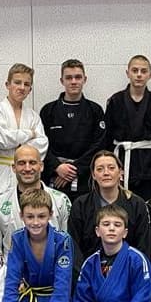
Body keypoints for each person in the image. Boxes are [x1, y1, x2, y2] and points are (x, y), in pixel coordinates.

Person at [68, 205, 151, 302]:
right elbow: (82, 299)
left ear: (125, 232)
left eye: (117, 225)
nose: (111, 229)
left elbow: (141, 301)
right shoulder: (91, 262)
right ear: (97, 231)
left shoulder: (137, 260)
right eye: (106, 224)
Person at [0, 189, 73, 302]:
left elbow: (63, 285)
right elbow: (11, 281)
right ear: (21, 216)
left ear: (51, 215)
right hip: (28, 301)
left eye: (41, 216)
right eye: (30, 217)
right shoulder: (17, 239)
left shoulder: (62, 241)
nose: (36, 222)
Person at [69, 150, 151, 267]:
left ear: (120, 172)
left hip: (128, 272)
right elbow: (74, 247)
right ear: (93, 175)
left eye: (111, 168)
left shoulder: (137, 204)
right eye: (100, 169)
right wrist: (85, 275)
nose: (106, 173)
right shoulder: (81, 205)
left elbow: (143, 246)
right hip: (90, 273)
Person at [0, 144, 71, 256]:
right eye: (22, 163)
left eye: (32, 163)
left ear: (41, 166)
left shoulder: (61, 200)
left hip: (51, 269)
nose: (27, 168)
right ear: (13, 167)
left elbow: (67, 245)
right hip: (11, 270)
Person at [40, 59, 106, 200]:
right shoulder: (48, 111)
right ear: (62, 80)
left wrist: (74, 169)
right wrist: (57, 167)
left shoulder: (95, 110)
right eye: (69, 78)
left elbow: (99, 145)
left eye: (78, 77)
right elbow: (41, 144)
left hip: (85, 178)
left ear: (84, 79)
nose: (74, 81)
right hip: (55, 178)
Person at [0, 63, 48, 204]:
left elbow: (42, 145)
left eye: (27, 84)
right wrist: (29, 134)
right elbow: (0, 139)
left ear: (30, 89)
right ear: (8, 84)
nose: (22, 88)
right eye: (17, 82)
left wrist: (13, 138)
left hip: (27, 172)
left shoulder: (33, 116)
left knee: (28, 213)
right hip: (1, 172)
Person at [104, 55, 151, 201]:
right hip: (121, 163)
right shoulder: (115, 101)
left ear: (149, 75)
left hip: (147, 166)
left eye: (143, 71)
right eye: (135, 70)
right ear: (128, 73)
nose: (139, 75)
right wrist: (111, 166)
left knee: (145, 206)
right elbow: (107, 138)